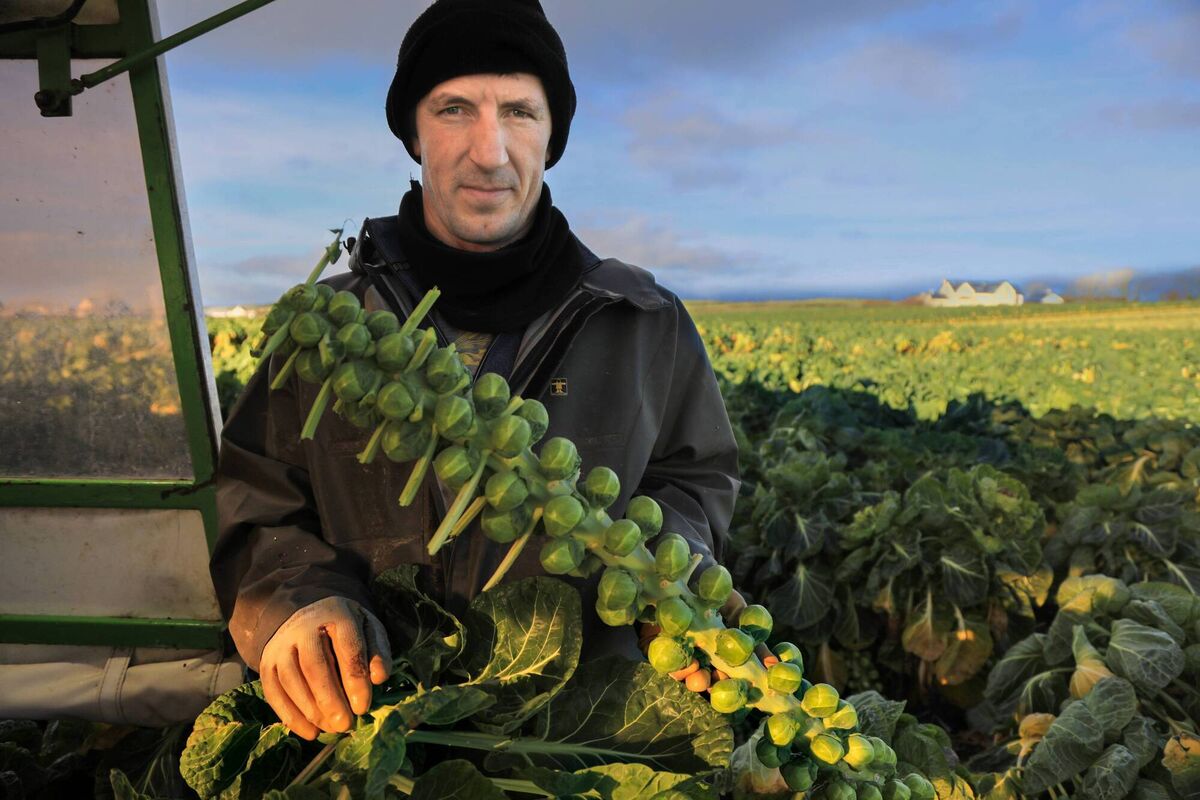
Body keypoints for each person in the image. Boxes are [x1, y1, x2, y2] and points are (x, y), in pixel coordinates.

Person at [211, 0, 742, 741]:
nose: (490, 151)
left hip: (578, 744)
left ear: (553, 134)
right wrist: (295, 599)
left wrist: (666, 572)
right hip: (369, 736)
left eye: (520, 111)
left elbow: (695, 479)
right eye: (454, 108)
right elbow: (257, 499)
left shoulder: (643, 323)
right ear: (413, 131)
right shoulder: (328, 332)